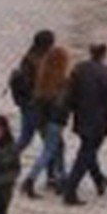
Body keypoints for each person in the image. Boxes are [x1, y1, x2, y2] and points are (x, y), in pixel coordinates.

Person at [61, 42, 107, 205]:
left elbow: (69, 93)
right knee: (86, 154)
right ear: (104, 54)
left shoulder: (79, 69)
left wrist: (72, 110)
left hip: (81, 117)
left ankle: (99, 180)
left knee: (88, 149)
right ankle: (70, 190)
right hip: (98, 121)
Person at [24, 42, 72, 197]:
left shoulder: (43, 78)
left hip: (42, 121)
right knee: (49, 151)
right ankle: (31, 179)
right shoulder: (63, 83)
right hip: (55, 121)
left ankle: (61, 177)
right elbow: (64, 103)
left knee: (58, 148)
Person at [10, 29, 56, 151]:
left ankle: (5, 161)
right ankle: (56, 170)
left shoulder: (29, 58)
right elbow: (36, 84)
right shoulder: (38, 61)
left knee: (25, 139)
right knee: (51, 143)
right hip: (35, 105)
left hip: (27, 104)